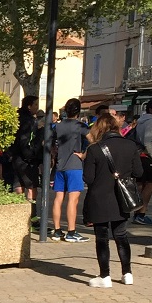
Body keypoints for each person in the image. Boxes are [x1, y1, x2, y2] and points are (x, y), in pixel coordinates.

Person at [82, 110, 144, 288]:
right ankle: (127, 273)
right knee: (121, 235)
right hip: (122, 197)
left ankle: (105, 276)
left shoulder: (94, 149)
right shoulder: (131, 146)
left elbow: (89, 178)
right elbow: (139, 172)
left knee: (101, 238)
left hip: (100, 199)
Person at [50, 98, 88, 242]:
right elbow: (94, 140)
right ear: (78, 111)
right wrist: (83, 155)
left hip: (60, 165)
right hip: (74, 164)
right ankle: (71, 231)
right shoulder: (79, 126)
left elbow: (49, 143)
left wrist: (54, 154)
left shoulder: (57, 126)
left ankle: (57, 230)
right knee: (73, 199)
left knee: (58, 198)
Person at [131, 100, 152, 224]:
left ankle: (136, 212)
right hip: (147, 156)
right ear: (151, 109)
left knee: (140, 185)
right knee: (149, 185)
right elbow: (147, 141)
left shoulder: (140, 121)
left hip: (139, 155)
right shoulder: (151, 122)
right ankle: (141, 214)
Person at [10, 94, 41, 203]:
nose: (37, 107)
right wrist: (31, 155)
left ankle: (19, 209)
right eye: (35, 104)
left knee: (18, 184)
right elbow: (29, 139)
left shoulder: (16, 117)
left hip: (15, 155)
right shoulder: (30, 121)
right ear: (29, 106)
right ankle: (32, 213)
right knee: (31, 186)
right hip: (27, 157)